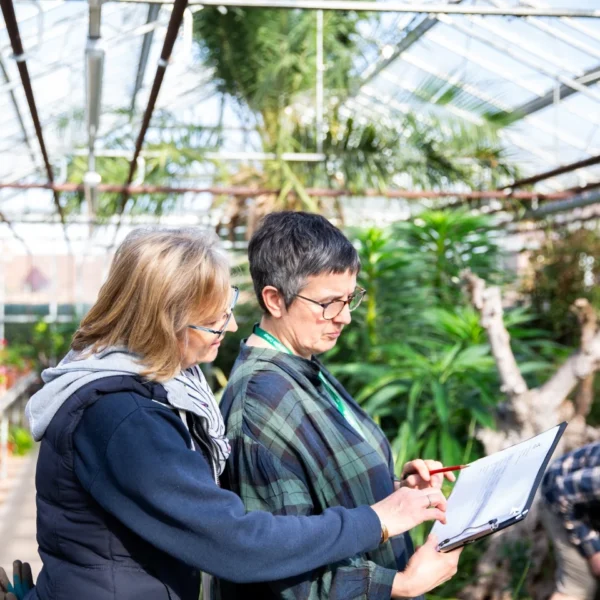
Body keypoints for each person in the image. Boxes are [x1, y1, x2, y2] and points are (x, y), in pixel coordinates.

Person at [24, 227, 449, 600]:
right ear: (161, 322)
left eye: (228, 308)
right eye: (212, 322)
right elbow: (237, 541)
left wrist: (387, 491)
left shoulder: (152, 390)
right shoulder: (123, 418)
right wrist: (377, 522)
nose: (230, 328)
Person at [218, 211, 463, 600]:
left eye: (350, 299)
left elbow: (320, 498)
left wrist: (395, 487)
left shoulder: (302, 366)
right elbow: (277, 560)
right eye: (330, 303)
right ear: (275, 299)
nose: (345, 317)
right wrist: (401, 585)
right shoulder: (260, 403)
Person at [541, 442, 600, 600]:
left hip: (591, 500)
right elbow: (562, 491)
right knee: (581, 584)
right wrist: (593, 550)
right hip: (561, 496)